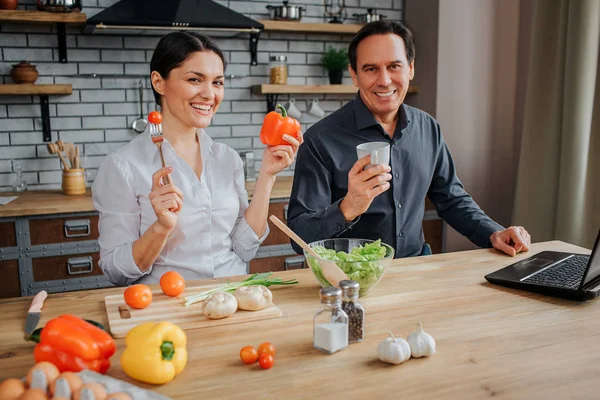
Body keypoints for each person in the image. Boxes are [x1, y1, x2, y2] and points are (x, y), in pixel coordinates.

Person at [287, 20, 530, 259]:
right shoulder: (320, 140)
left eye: (394, 66)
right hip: (349, 280)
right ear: (354, 75)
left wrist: (494, 232)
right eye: (371, 69)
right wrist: (348, 207)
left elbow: (452, 199)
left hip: (416, 271)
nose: (384, 80)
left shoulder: (428, 128)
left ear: (410, 68)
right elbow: (299, 236)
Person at [92, 32, 302, 286]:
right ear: (159, 82)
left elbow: (244, 249)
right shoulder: (122, 166)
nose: (209, 94)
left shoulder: (227, 159)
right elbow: (116, 273)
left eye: (217, 82)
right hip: (167, 306)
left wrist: (267, 176)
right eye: (195, 79)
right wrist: (160, 227)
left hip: (233, 296)